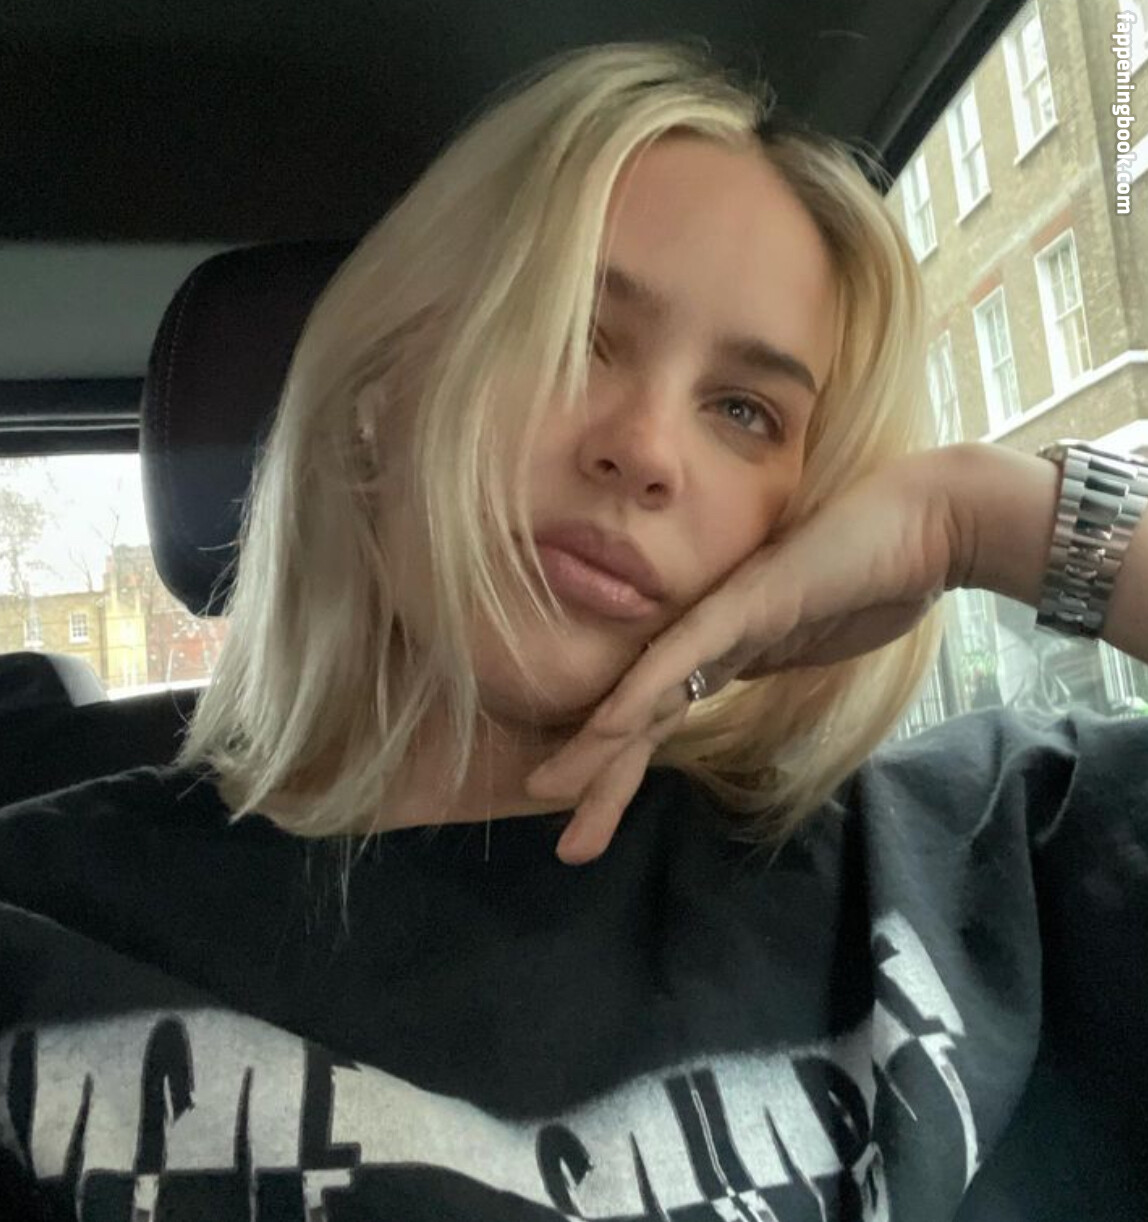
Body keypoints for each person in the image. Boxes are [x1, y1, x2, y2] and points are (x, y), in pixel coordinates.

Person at [1, 40, 1147, 1222]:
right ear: (379, 394)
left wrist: (988, 520)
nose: (644, 450)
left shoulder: (983, 864)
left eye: (743, 410)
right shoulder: (39, 926)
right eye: (570, 334)